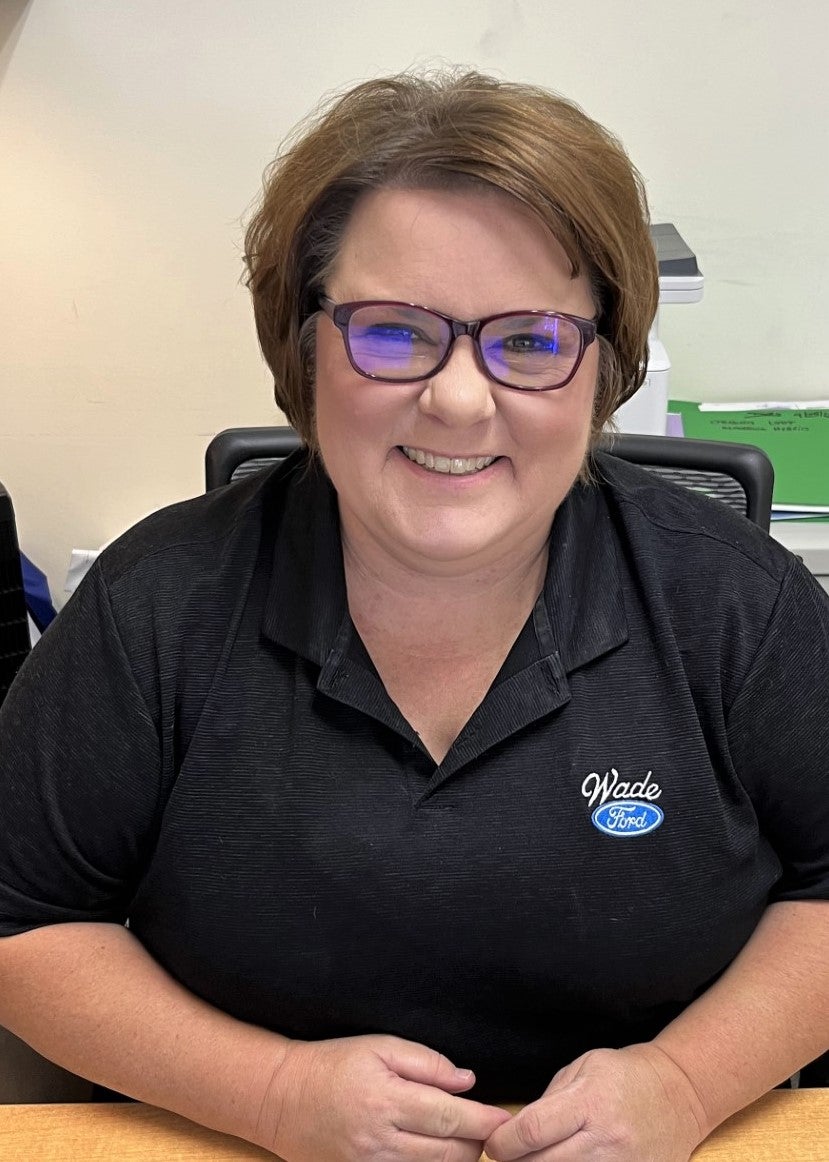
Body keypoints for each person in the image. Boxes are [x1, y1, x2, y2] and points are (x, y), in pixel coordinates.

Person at [0, 69, 827, 1162]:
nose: (458, 399)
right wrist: (271, 1092)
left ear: (602, 367)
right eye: (392, 332)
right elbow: (22, 919)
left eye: (529, 341)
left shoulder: (735, 602)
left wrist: (685, 1082)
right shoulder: (154, 606)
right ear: (304, 345)